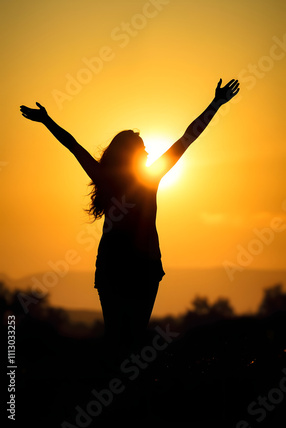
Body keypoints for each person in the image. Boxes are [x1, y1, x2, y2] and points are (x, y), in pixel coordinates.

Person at [20, 78, 240, 365]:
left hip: (129, 268)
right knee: (128, 342)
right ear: (131, 155)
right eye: (143, 148)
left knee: (120, 341)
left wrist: (47, 120)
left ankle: (120, 399)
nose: (148, 152)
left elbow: (73, 145)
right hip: (132, 268)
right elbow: (186, 138)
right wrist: (215, 104)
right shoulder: (145, 179)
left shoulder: (112, 178)